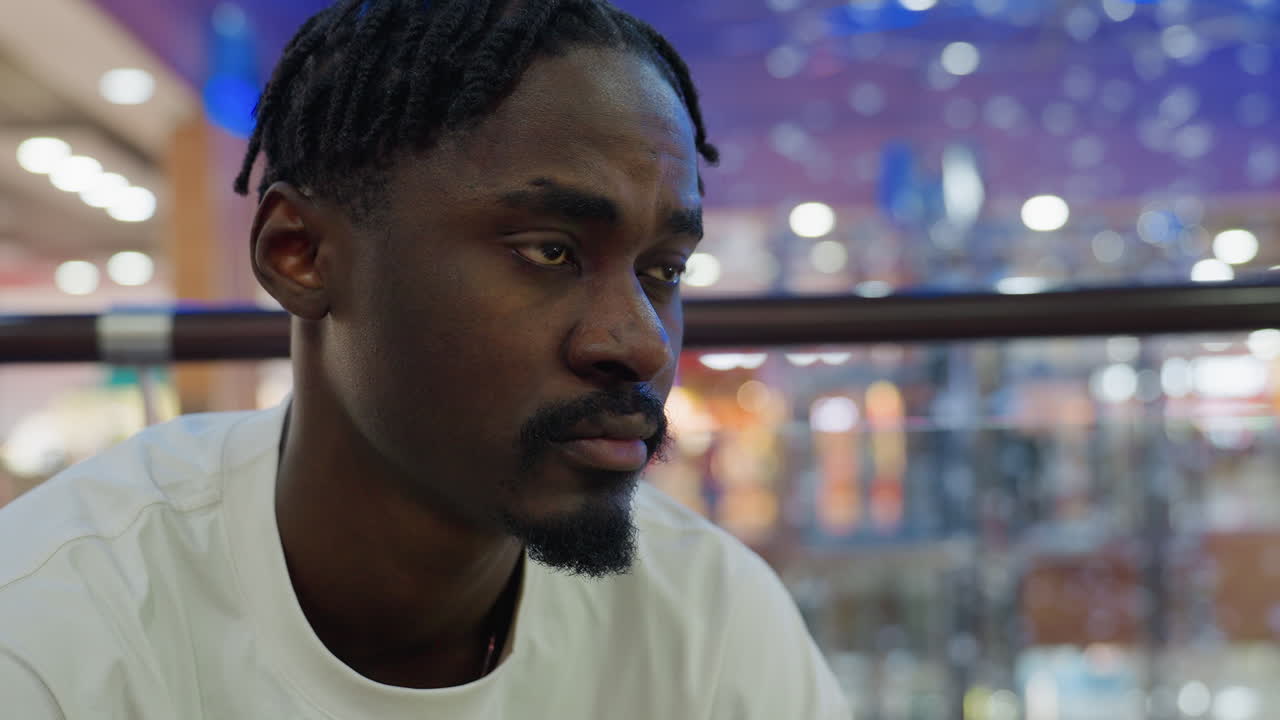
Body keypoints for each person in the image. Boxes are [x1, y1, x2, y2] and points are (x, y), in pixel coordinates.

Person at [0, 1, 850, 717]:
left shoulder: (708, 623)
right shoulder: (53, 631)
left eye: (663, 270)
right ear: (302, 254)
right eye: (549, 251)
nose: (641, 343)